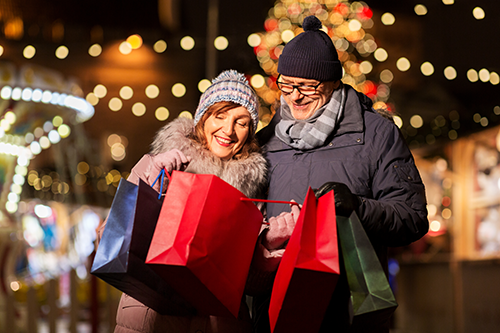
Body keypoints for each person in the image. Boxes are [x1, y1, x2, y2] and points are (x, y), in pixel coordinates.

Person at [251, 15, 429, 333]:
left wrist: (357, 207)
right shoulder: (266, 142)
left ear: (333, 82)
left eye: (307, 86)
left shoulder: (376, 134)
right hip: (278, 313)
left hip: (349, 314)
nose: (295, 96)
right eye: (286, 85)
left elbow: (412, 217)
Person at [96, 70, 268, 333]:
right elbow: (109, 238)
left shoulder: (252, 190)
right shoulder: (160, 166)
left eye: (241, 122)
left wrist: (273, 239)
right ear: (203, 118)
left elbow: (252, 282)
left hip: (217, 323)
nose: (228, 130)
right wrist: (152, 175)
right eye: (219, 116)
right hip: (150, 319)